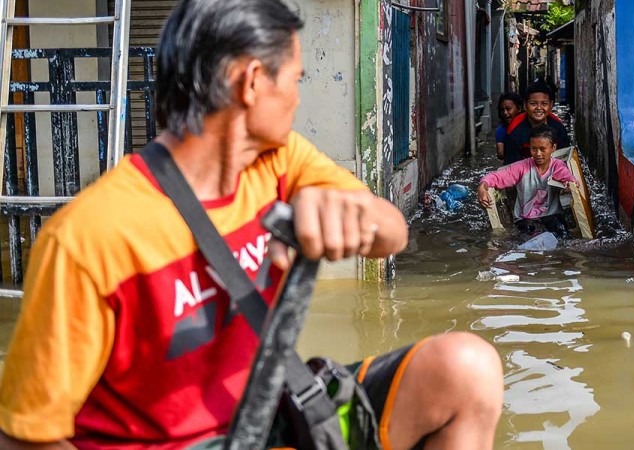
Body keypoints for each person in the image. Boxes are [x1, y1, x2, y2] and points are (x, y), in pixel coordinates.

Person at [0, 1, 504, 449]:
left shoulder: (280, 159)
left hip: (270, 413)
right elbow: (26, 435)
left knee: (466, 370)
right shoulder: (88, 237)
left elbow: (392, 231)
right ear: (253, 81)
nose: (297, 99)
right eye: (295, 81)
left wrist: (349, 215)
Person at [478, 125, 577, 239]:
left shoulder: (557, 165)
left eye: (542, 149)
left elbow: (565, 175)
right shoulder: (522, 167)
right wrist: (482, 187)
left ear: (553, 147)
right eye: (534, 149)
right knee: (527, 240)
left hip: (552, 215)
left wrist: (570, 182)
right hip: (525, 218)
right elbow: (496, 176)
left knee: (563, 236)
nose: (538, 154)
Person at [503, 82, 571, 165]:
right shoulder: (514, 132)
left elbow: (564, 161)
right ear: (525, 105)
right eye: (533, 104)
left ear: (551, 105)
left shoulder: (559, 128)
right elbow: (510, 168)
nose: (539, 108)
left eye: (544, 104)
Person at [494, 92, 523, 162]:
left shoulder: (526, 126)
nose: (505, 113)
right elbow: (500, 154)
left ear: (518, 108)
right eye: (502, 110)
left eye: (508, 109)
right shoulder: (500, 131)